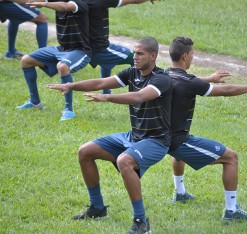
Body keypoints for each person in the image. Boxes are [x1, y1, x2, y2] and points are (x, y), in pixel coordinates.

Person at [46, 37, 172, 233]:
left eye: (140, 54)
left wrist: (106, 97)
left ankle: (141, 222)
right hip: (134, 136)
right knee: (85, 151)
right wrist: (71, 85)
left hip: (156, 141)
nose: (135, 57)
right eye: (135, 52)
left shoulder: (161, 78)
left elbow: (139, 96)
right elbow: (103, 82)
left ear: (153, 56)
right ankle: (97, 208)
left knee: (124, 161)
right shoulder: (132, 72)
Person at [165, 37, 247, 221]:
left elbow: (187, 82)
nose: (192, 57)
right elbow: (227, 90)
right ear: (184, 56)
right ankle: (232, 211)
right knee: (231, 157)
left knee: (178, 155)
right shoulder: (190, 82)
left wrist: (208, 79)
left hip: (163, 137)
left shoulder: (166, 74)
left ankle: (180, 193)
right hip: (176, 141)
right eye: (192, 55)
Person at [16, 0, 92, 121]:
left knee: (63, 66)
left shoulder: (79, 3)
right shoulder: (55, 2)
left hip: (80, 51)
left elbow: (65, 7)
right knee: (26, 60)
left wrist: (45, 4)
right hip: (61, 49)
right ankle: (35, 102)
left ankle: (69, 110)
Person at [87, 0, 159, 94]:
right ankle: (140, 90)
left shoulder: (78, 3)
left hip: (81, 46)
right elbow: (132, 0)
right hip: (99, 48)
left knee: (109, 59)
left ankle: (106, 91)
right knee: (131, 56)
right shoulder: (100, 1)